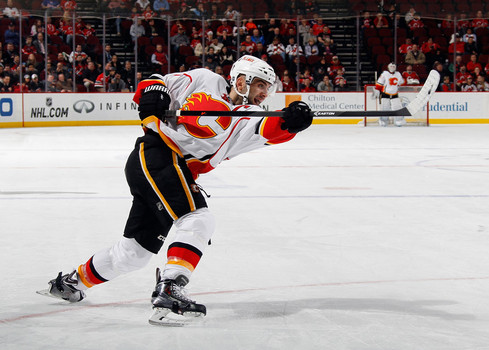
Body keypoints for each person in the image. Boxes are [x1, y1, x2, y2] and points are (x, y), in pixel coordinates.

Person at [38, 55, 313, 325]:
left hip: (173, 170)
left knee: (133, 254)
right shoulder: (205, 79)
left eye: (268, 87)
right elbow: (158, 82)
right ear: (242, 80)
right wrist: (154, 94)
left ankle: (71, 282)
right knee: (197, 218)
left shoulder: (249, 116)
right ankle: (170, 288)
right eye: (261, 85)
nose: (265, 93)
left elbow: (270, 128)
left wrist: (291, 121)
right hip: (156, 152)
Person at [373, 62, 405, 127]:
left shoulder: (398, 74)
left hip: (395, 94)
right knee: (385, 108)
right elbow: (380, 82)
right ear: (388, 67)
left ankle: (398, 120)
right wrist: (377, 89)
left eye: (394, 67)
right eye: (391, 66)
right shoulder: (385, 74)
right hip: (386, 93)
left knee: (397, 107)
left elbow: (401, 82)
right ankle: (383, 121)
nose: (392, 68)